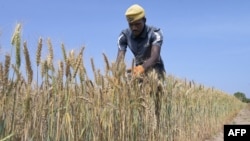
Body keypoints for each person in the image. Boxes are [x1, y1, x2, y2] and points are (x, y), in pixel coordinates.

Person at [116, 4, 165, 78]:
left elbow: (155, 57)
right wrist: (117, 74)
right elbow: (120, 58)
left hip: (156, 72)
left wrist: (141, 68)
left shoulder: (155, 33)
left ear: (144, 20)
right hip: (138, 71)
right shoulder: (124, 36)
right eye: (131, 25)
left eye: (137, 24)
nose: (134, 28)